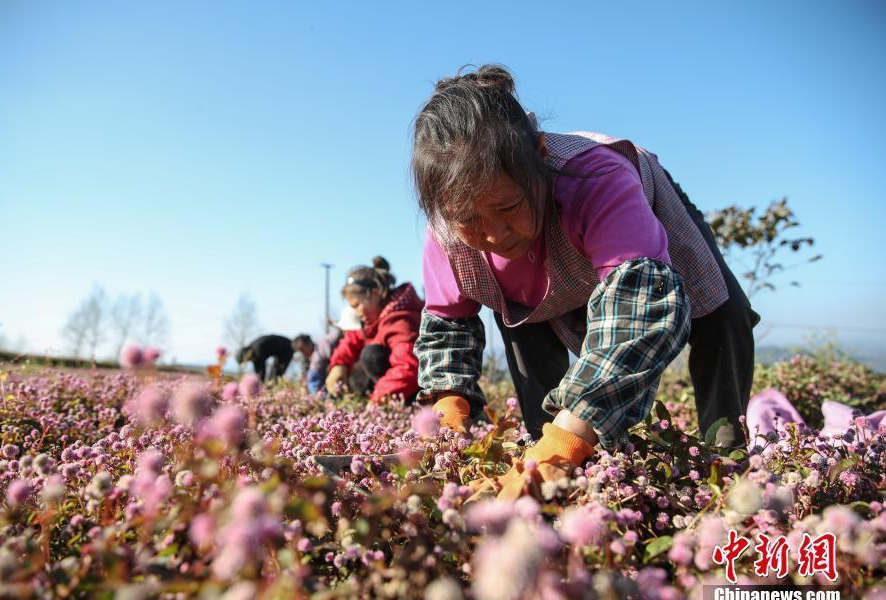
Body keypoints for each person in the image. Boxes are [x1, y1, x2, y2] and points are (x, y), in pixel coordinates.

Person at [411, 65, 760, 498]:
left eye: (508, 206)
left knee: (722, 317)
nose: (496, 235)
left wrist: (568, 440)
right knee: (524, 325)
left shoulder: (597, 177)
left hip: (640, 219)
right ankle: (549, 469)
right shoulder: (446, 235)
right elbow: (447, 328)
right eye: (468, 219)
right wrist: (451, 420)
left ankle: (724, 457)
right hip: (531, 287)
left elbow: (639, 307)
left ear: (539, 157)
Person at [325, 256, 424, 403]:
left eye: (356, 305)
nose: (356, 312)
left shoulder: (401, 321)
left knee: (371, 354)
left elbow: (407, 367)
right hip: (398, 386)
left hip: (413, 387)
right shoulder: (378, 318)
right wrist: (339, 365)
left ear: (375, 294)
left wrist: (377, 399)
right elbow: (355, 338)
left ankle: (406, 404)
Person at [292, 306, 363, 395]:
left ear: (308, 344)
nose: (303, 353)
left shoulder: (323, 346)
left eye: (303, 349)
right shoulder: (312, 356)